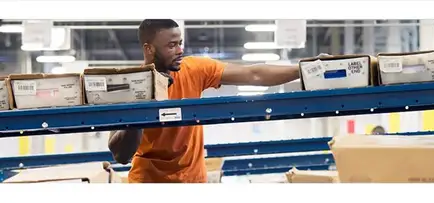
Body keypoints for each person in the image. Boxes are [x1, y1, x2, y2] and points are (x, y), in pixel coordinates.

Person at [108, 19, 307, 183]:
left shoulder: (194, 69)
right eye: (171, 45)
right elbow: (121, 155)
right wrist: (142, 104)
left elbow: (253, 74)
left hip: (194, 181)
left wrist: (304, 68)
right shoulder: (130, 84)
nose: (179, 51)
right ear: (149, 49)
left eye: (180, 43)